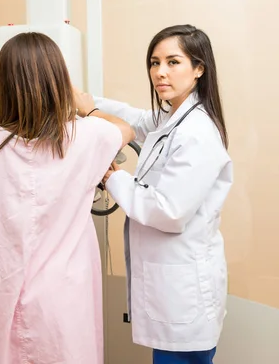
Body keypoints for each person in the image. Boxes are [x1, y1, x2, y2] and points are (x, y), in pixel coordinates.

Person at [0, 32, 135, 363]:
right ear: (58, 81)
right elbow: (126, 129)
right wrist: (86, 108)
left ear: (3, 84)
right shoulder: (83, 136)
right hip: (62, 297)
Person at [74, 24, 233, 364]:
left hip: (183, 294)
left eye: (173, 62)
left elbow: (169, 212)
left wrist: (114, 177)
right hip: (170, 289)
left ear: (199, 68)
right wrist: (84, 102)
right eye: (154, 62)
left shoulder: (197, 132)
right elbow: (135, 119)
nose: (160, 72)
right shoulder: (172, 115)